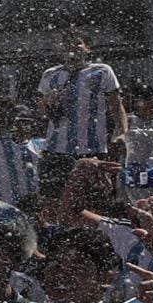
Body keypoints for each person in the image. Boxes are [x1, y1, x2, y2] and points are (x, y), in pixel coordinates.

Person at [38, 32, 128, 187]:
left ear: (88, 48)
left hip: (92, 147)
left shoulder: (102, 71)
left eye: (77, 43)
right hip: (56, 150)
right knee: (56, 198)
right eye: (67, 44)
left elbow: (117, 106)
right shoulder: (51, 74)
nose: (72, 47)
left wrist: (122, 134)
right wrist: (50, 104)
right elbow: (41, 111)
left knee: (94, 197)